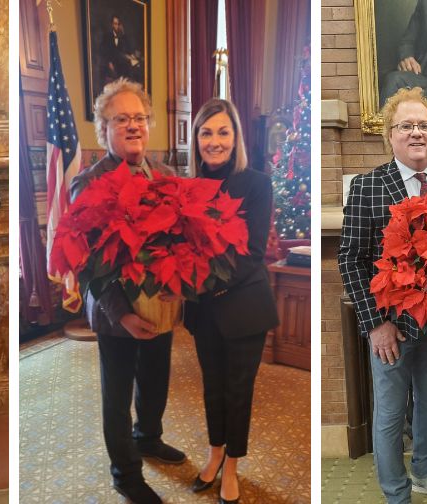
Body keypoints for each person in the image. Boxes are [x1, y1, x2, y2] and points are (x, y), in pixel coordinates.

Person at [338, 88, 427, 504]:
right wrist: (376, 324)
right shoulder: (368, 186)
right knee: (390, 415)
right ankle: (396, 493)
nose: (416, 133)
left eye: (424, 125)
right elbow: (351, 260)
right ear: (390, 135)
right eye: (406, 125)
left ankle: (425, 470)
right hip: (391, 327)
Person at [69, 78, 185, 504]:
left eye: (139, 117)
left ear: (149, 124)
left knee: (156, 381)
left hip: (162, 308)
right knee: (117, 396)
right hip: (118, 315)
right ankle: (125, 473)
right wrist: (123, 314)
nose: (132, 125)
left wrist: (180, 287)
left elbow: (183, 243)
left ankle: (148, 438)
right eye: (121, 119)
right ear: (104, 129)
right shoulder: (89, 182)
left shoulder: (168, 176)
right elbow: (88, 263)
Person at [182, 98, 279, 504]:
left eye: (223, 132)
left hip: (243, 308)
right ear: (196, 138)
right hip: (203, 311)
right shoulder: (186, 187)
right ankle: (214, 451)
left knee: (238, 391)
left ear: (235, 137)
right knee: (211, 387)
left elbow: (252, 252)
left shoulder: (256, 183)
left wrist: (204, 285)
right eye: (207, 132)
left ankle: (233, 464)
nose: (215, 141)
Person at [99, 15, 141, 86]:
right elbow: (105, 51)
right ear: (112, 24)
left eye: (118, 24)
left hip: (120, 63)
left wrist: (123, 33)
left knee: (135, 65)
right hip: (111, 62)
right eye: (115, 24)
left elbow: (128, 49)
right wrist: (109, 63)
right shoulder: (107, 36)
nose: (117, 26)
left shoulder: (122, 36)